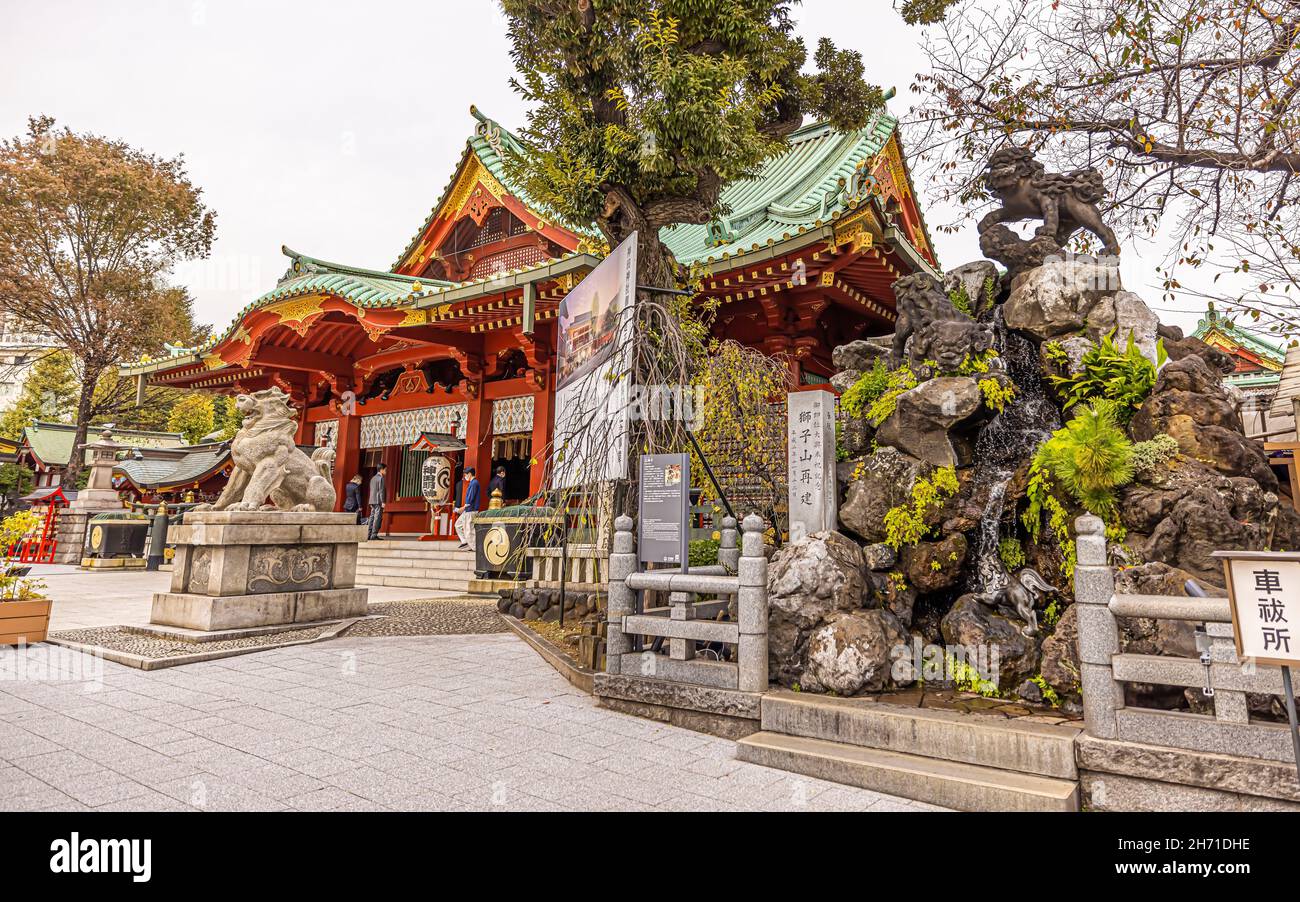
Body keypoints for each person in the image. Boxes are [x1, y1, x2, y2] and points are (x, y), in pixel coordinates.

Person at [455, 467, 480, 550]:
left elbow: (470, 498)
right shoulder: (473, 483)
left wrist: (463, 507)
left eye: (465, 474)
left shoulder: (474, 483)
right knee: (458, 525)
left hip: (471, 509)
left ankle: (475, 549)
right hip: (468, 509)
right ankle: (465, 542)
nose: (465, 476)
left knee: (469, 531)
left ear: (469, 474)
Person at [367, 463, 387, 540]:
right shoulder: (381, 478)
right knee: (377, 517)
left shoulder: (373, 478)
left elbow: (372, 490)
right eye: (385, 470)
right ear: (381, 470)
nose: (386, 472)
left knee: (371, 517)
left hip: (372, 500)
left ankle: (368, 534)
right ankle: (374, 535)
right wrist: (383, 502)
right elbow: (381, 491)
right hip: (378, 501)